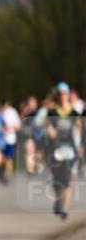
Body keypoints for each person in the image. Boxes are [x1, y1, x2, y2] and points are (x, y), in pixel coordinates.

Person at [44, 82, 82, 220]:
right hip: (55, 150)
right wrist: (50, 132)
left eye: (64, 94)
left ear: (67, 95)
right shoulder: (52, 112)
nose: (62, 96)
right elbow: (45, 126)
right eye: (59, 94)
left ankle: (65, 208)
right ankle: (58, 200)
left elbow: (78, 129)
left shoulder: (74, 112)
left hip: (69, 150)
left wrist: (79, 145)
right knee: (56, 180)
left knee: (66, 181)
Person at [1, 99, 21, 183]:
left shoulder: (13, 112)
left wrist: (11, 127)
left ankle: (7, 175)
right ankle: (3, 172)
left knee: (8, 158)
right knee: (2, 158)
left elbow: (18, 125)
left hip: (10, 138)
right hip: (1, 139)